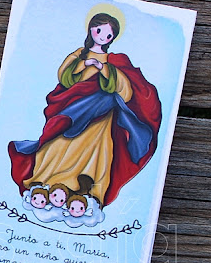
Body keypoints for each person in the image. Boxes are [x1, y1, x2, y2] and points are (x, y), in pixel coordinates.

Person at [9, 13, 161, 208]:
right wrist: (84, 64)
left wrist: (104, 69)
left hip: (101, 117)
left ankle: (85, 193)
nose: (103, 37)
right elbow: (65, 78)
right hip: (74, 109)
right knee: (59, 143)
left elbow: (126, 91)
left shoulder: (115, 61)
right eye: (99, 31)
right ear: (91, 29)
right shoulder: (79, 54)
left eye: (108, 35)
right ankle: (47, 181)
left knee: (97, 152)